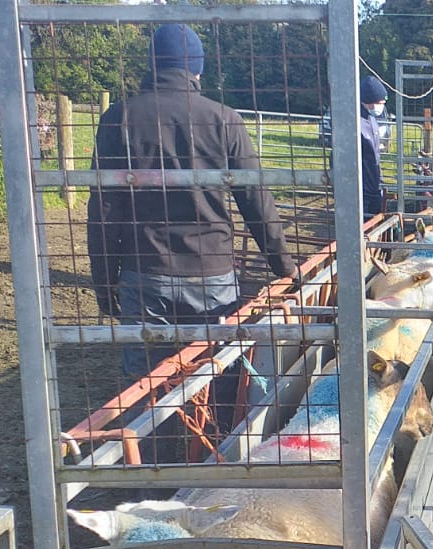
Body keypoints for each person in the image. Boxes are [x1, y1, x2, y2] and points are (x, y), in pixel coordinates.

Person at [87, 24, 298, 377]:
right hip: (211, 271)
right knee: (213, 374)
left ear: (152, 64)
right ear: (197, 69)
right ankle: (214, 430)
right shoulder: (223, 120)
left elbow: (104, 211)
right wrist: (284, 267)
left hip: (145, 272)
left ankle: (149, 433)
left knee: (146, 384)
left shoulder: (119, 118)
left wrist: (105, 282)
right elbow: (255, 199)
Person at [360, 75, 388, 217]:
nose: (381, 107)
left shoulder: (371, 119)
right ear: (369, 101)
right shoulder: (356, 123)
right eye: (379, 102)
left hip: (374, 184)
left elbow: (375, 154)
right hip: (361, 189)